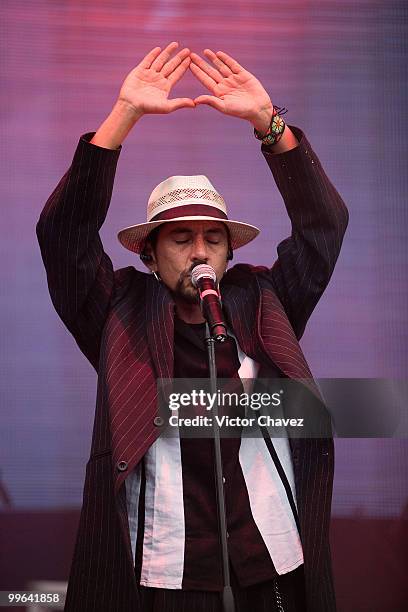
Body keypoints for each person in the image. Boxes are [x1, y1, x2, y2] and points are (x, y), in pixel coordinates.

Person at [36, 42, 349, 612]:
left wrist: (268, 122)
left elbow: (324, 228)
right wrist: (122, 117)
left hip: (269, 557)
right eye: (181, 239)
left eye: (214, 238)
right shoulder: (119, 312)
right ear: (150, 256)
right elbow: (64, 240)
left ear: (232, 252)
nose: (200, 251)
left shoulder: (262, 301)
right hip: (164, 566)